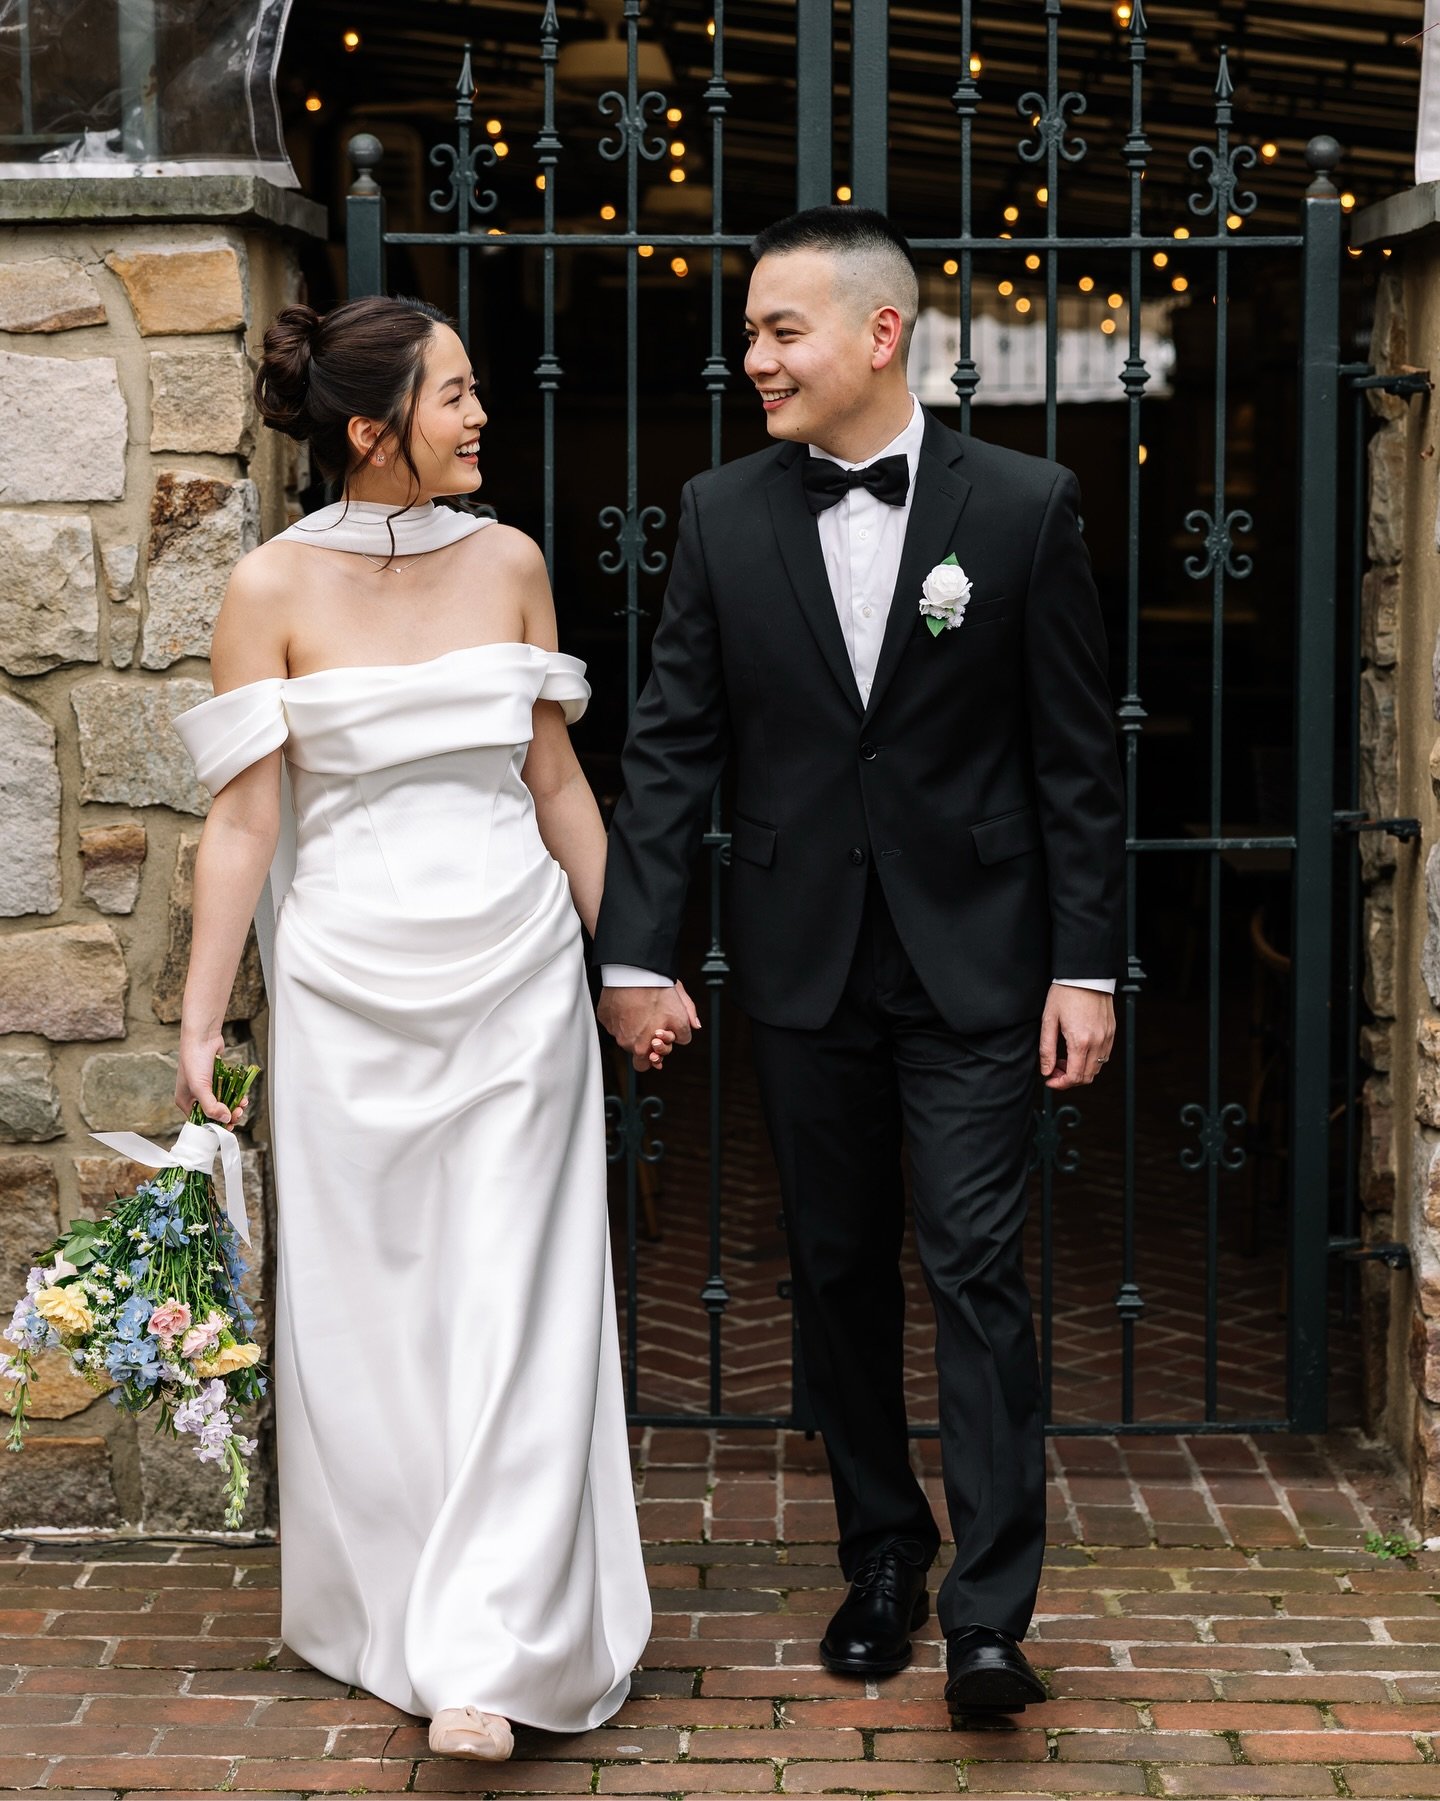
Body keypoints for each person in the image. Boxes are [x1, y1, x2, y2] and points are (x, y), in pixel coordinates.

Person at [594, 208, 1126, 1715]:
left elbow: (1077, 763)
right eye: (751, 332)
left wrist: (1084, 965)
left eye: (780, 330)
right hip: (802, 962)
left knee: (971, 1266)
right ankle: (881, 1552)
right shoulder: (717, 511)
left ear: (880, 335)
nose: (751, 356)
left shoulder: (1024, 508)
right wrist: (636, 949)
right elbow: (672, 744)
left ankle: (988, 1615)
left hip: (978, 965)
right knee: (833, 1273)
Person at [171, 295, 659, 1759]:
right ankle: (396, 1596)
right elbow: (244, 822)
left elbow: (560, 784)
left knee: (521, 1294)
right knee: (377, 1309)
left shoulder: (510, 561)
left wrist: (623, 955)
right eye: (454, 394)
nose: (480, 415)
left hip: (515, 976)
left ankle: (488, 1651)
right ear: (372, 426)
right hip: (342, 989)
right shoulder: (267, 587)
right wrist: (204, 1023)